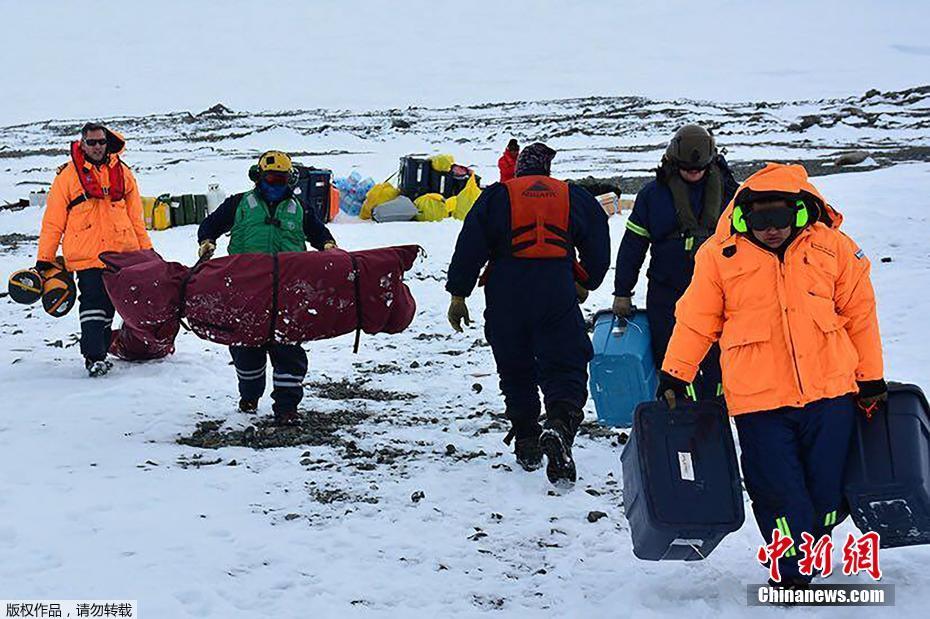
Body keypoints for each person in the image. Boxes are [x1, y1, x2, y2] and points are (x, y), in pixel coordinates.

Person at [657, 163, 886, 587]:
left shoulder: (834, 248)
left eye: (779, 219)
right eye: (760, 221)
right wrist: (676, 373)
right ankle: (792, 572)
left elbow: (860, 315)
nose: (771, 230)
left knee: (826, 490)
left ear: (799, 211)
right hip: (758, 400)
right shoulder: (719, 256)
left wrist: (871, 378)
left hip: (831, 391)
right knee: (777, 489)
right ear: (744, 216)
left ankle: (810, 543)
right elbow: (696, 319)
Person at [446, 142, 610, 484]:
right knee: (565, 362)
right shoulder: (572, 196)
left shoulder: (495, 196)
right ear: (547, 169)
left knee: (514, 365)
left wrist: (458, 294)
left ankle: (526, 439)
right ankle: (561, 424)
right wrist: (587, 280)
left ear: (519, 168)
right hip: (556, 288)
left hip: (507, 291)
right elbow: (597, 238)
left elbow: (470, 245)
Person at [197, 151, 337, 426]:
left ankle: (286, 407)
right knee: (246, 348)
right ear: (258, 177)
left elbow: (319, 233)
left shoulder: (300, 208)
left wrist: (329, 246)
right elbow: (210, 225)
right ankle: (249, 395)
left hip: (289, 290)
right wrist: (207, 241)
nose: (276, 183)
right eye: (271, 177)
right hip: (245, 289)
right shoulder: (239, 204)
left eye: (282, 178)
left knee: (288, 349)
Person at [612, 125, 738, 401]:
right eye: (686, 168)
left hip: (722, 294)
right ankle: (680, 411)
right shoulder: (652, 196)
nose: (694, 172)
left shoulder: (731, 195)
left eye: (700, 168)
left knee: (719, 359)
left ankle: (718, 410)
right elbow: (633, 247)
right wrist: (622, 291)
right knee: (672, 359)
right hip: (669, 294)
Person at [36, 123, 152, 377]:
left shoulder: (123, 173)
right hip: (86, 253)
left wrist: (148, 253)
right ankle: (94, 356)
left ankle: (100, 350)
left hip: (122, 252)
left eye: (101, 142)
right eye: (92, 142)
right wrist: (44, 259)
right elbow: (53, 221)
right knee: (92, 303)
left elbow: (136, 219)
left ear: (107, 142)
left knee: (111, 304)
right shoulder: (67, 176)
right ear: (82, 143)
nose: (97, 147)